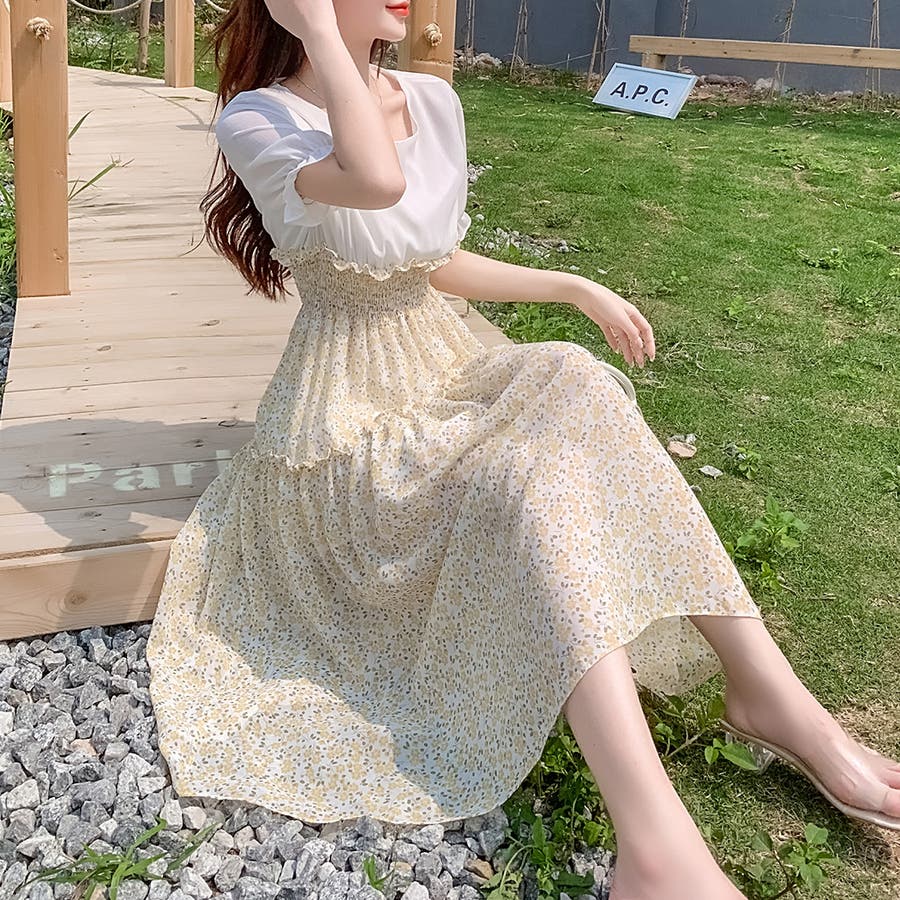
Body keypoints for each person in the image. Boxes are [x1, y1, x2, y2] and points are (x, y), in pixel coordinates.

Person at [145, 1, 900, 898]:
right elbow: (375, 182)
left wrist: (572, 285)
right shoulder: (258, 118)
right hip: (345, 424)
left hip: (439, 364)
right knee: (519, 479)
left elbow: (428, 259)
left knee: (574, 379)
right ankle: (655, 846)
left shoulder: (432, 100)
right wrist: (315, 34)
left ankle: (768, 692)